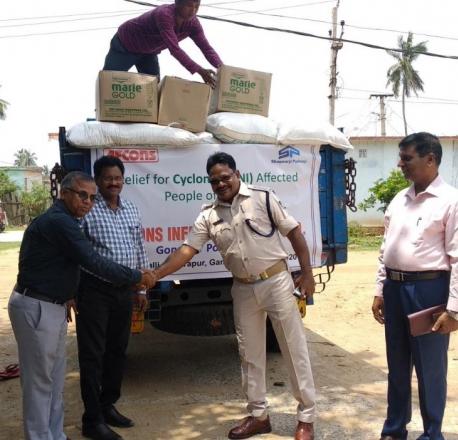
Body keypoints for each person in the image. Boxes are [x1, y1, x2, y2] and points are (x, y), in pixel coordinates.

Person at [149, 152, 316, 440]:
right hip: (242, 288)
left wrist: (307, 272)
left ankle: (306, 418)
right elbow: (188, 250)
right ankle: (258, 416)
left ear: (237, 174)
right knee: (249, 354)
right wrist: (157, 274)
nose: (220, 183)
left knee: (293, 350)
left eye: (225, 177)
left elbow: (295, 234)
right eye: (214, 180)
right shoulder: (208, 215)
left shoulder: (263, 198)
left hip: (276, 281)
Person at [8, 171, 155, 440]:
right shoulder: (59, 222)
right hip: (37, 305)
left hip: (53, 305)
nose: (87, 202)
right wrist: (137, 277)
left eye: (91, 197)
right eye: (82, 195)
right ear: (63, 194)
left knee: (54, 379)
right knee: (40, 382)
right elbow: (91, 260)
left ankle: (55, 434)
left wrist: (69, 292)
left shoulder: (69, 220)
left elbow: (69, 264)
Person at [372, 132, 458, 440]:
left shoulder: (450, 201)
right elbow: (386, 250)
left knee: (430, 368)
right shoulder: (400, 199)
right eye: (401, 158)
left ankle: (432, 432)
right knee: (397, 364)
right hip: (395, 290)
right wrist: (380, 290)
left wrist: (454, 310)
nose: (400, 164)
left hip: (428, 291)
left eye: (407, 158)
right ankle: (395, 428)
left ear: (430, 159)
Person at [76, 156, 149, 440]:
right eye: (108, 178)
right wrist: (72, 292)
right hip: (94, 291)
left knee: (117, 352)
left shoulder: (130, 208)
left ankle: (108, 406)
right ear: (97, 180)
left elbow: (139, 247)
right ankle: (91, 420)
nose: (114, 183)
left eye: (118, 177)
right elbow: (74, 254)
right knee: (93, 355)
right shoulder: (87, 210)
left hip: (124, 292)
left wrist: (141, 287)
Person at [103, 0, 223, 87]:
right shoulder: (164, 14)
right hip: (125, 45)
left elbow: (207, 48)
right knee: (109, 82)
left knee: (153, 88)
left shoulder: (194, 24)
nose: (193, 10)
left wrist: (223, 69)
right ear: (177, 3)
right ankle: (103, 112)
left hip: (149, 52)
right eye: (189, 5)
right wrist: (200, 70)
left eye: (197, 6)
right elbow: (174, 49)